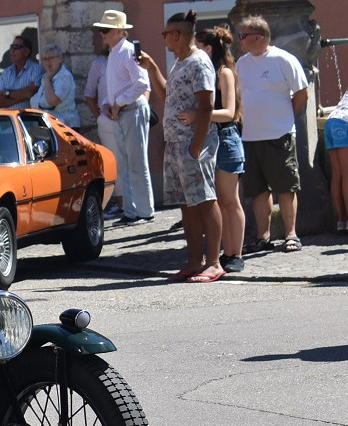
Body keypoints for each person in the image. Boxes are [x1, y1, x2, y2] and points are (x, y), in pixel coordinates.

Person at [139, 10, 224, 283]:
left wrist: (196, 147)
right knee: (187, 204)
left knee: (205, 200)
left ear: (177, 35)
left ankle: (214, 263)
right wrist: (152, 68)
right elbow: (166, 96)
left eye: (165, 34)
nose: (163, 38)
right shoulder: (179, 62)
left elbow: (207, 106)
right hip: (176, 144)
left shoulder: (199, 62)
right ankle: (193, 261)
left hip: (192, 144)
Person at [236, 15, 309, 253]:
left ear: (257, 37)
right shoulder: (242, 63)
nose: (240, 41)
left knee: (285, 187)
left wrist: (283, 116)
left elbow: (302, 93)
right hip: (250, 136)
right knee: (257, 190)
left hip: (279, 134)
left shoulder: (284, 59)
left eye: (242, 36)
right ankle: (262, 236)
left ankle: (291, 234)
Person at [95, 9, 154, 225]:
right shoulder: (115, 52)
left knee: (137, 162)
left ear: (119, 31)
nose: (102, 34)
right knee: (125, 163)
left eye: (106, 30)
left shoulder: (127, 51)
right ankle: (132, 211)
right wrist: (108, 105)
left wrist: (117, 103)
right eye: (101, 30)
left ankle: (144, 211)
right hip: (123, 112)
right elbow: (118, 86)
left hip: (132, 110)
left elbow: (142, 83)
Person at [196, 25, 247, 272]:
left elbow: (228, 112)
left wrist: (199, 115)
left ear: (208, 48)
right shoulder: (205, 72)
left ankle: (236, 253)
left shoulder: (224, 72)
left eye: (197, 47)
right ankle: (227, 253)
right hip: (210, 139)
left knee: (230, 201)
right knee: (219, 201)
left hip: (226, 138)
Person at [84, 33, 124, 219]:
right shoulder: (99, 64)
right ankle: (119, 202)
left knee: (130, 161)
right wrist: (99, 116)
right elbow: (90, 94)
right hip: (107, 119)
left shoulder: (128, 56)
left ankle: (132, 203)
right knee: (114, 160)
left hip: (127, 115)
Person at [325, 83, 348, 233]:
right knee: (347, 172)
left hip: (331, 121)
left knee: (337, 174)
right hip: (347, 122)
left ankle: (341, 221)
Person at [32, 44, 80, 128]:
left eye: (51, 58)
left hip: (65, 126)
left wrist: (47, 80)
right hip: (49, 124)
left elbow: (53, 101)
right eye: (45, 59)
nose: (48, 62)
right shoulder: (46, 76)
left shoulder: (64, 77)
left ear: (60, 59)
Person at [0, 36, 43, 110]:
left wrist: (7, 93)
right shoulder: (5, 73)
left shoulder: (36, 69)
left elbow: (30, 93)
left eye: (16, 47)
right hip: (9, 120)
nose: (12, 50)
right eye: (11, 47)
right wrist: (24, 95)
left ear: (26, 52)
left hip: (28, 119)